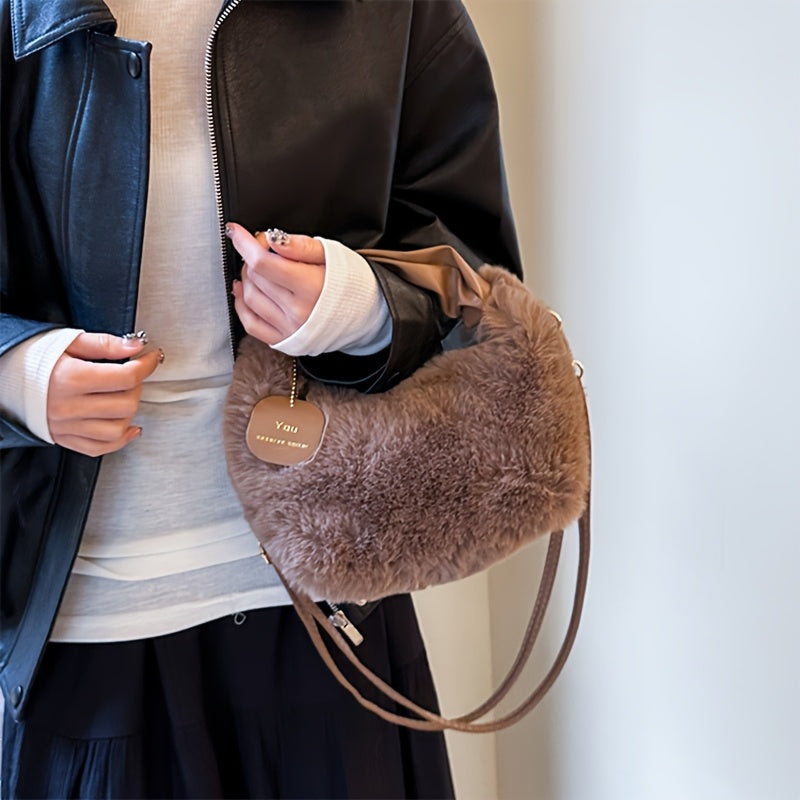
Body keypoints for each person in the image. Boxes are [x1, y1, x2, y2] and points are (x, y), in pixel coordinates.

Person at [0, 0, 522, 797]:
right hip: (86, 634)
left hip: (329, 609)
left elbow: (475, 272)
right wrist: (17, 375)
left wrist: (359, 305)